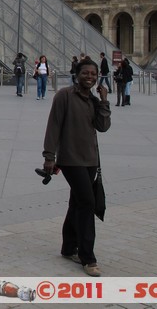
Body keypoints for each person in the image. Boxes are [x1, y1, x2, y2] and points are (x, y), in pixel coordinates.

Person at [41, 58, 111, 277]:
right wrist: (49, 156)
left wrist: (104, 101)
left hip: (90, 160)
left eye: (93, 74)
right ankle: (88, 257)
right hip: (70, 160)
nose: (89, 77)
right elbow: (53, 126)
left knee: (77, 203)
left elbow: (103, 127)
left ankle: (68, 247)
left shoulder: (93, 100)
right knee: (87, 204)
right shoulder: (65, 96)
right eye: (85, 73)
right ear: (77, 74)